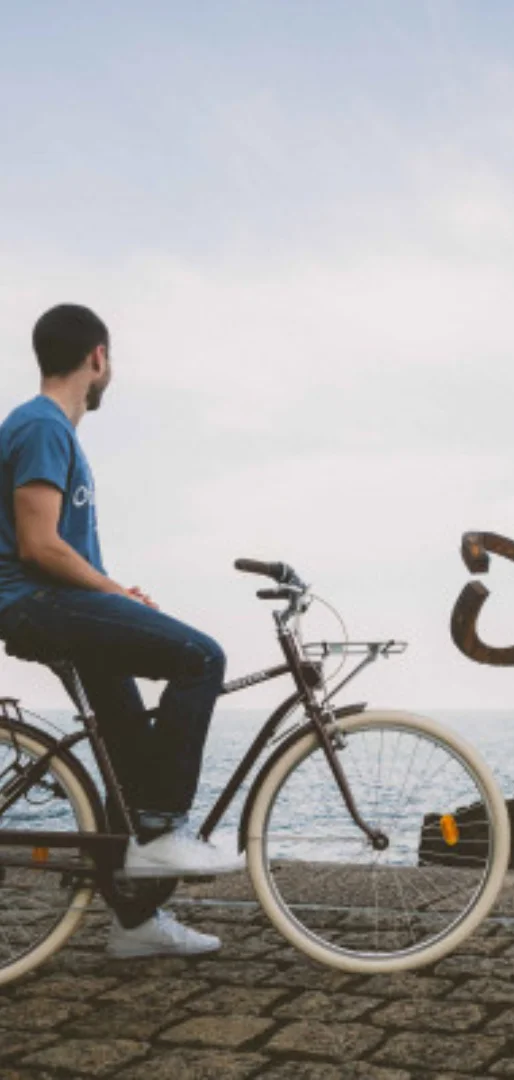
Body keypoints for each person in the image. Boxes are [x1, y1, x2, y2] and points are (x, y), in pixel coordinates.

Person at [0, 303, 244, 958]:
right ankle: (164, 831)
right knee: (200, 656)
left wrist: (112, 593)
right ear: (98, 358)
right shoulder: (41, 427)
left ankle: (135, 923)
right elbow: (38, 546)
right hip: (35, 601)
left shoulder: (50, 430)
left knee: (132, 761)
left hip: (56, 602)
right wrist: (115, 592)